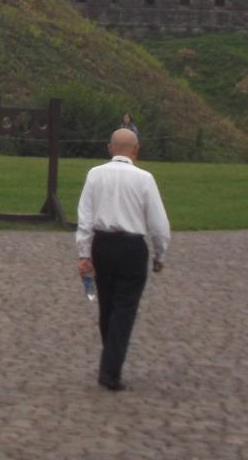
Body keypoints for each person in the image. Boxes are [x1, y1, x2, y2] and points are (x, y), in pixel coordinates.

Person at [75, 127, 172, 391]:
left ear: (110, 148)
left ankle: (110, 360)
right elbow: (159, 224)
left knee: (107, 306)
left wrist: (84, 253)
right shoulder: (145, 179)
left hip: (103, 245)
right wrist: (160, 253)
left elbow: (85, 217)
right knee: (125, 308)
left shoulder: (95, 174)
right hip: (132, 247)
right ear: (136, 150)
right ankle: (110, 370)